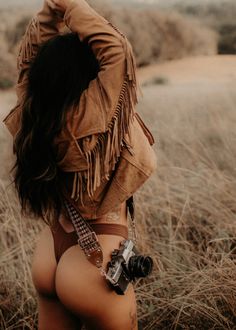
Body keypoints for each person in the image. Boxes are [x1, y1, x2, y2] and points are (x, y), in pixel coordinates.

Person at [3, 0, 157, 329]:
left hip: (51, 252)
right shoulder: (92, 114)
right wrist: (71, 5)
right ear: (88, 74)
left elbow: (29, 55)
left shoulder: (33, 110)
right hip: (95, 259)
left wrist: (51, 8)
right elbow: (117, 49)